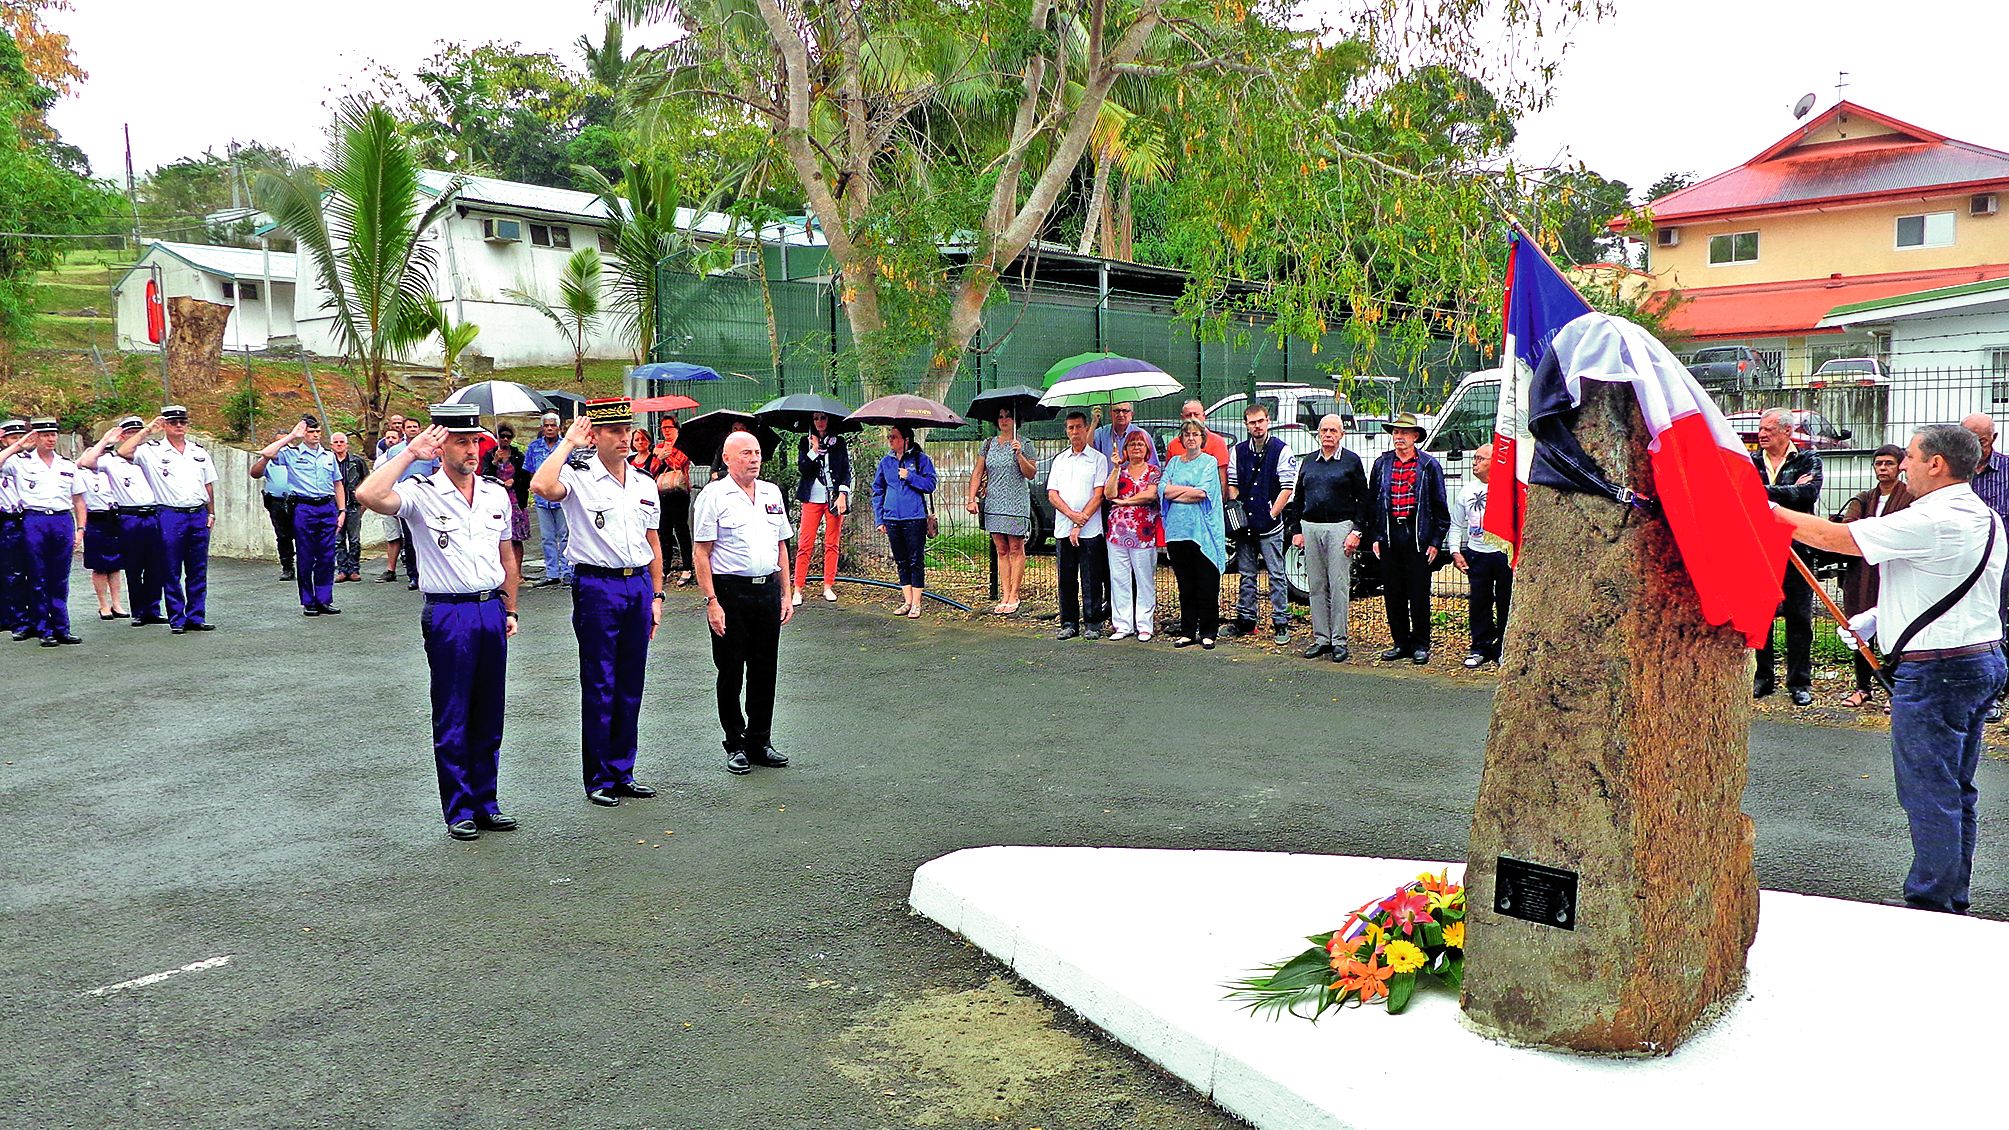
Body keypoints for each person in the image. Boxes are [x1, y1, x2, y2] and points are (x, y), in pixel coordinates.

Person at [1772, 424, 2005, 915]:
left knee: (1928, 790)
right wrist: (1879, 617)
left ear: (1936, 464)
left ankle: (1932, 902)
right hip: (1975, 658)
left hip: (1938, 670)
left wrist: (1762, 508)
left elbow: (1836, 538)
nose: (1903, 466)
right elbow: (1948, 583)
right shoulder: (1983, 515)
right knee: (1954, 787)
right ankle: (1949, 895)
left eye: (1911, 458)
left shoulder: (1932, 517)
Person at [356, 405, 522, 841]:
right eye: (461, 442)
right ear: (441, 447)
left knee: (490, 713)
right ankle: (459, 808)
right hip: (449, 611)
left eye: (475, 442)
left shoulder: (494, 493)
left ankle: (487, 802)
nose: (471, 450)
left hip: (490, 608)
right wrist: (410, 453)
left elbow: (507, 557)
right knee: (453, 712)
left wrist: (511, 608)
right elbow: (368, 495)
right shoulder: (421, 492)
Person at [530, 398, 664, 808]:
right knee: (600, 682)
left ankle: (624, 770)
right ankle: (600, 777)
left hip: (637, 584)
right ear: (596, 436)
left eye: (628, 430)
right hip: (597, 586)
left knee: (630, 683)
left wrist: (657, 594)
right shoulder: (578, 475)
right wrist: (568, 442)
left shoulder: (643, 482)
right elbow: (541, 486)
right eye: (615, 431)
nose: (625, 438)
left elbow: (652, 541)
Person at [693, 429, 796, 775]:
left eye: (757, 453)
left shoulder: (771, 492)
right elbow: (701, 552)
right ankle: (735, 743)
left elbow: (781, 545)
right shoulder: (714, 496)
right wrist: (712, 601)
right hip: (730, 592)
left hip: (766, 590)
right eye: (745, 454)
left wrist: (786, 593)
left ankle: (759, 740)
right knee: (731, 669)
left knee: (765, 669)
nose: (754, 459)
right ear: (726, 459)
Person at [116, 406, 217, 634]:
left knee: (198, 569)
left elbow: (208, 484)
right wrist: (147, 430)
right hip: (170, 514)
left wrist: (211, 513)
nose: (179, 426)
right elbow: (123, 451)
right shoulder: (151, 451)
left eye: (182, 422)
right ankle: (177, 619)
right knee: (171, 568)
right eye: (173, 422)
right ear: (165, 425)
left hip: (198, 513)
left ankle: (196, 616)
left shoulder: (198, 451)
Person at [1752, 407, 1823, 706]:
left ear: (1786, 431)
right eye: (1761, 429)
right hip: (1759, 547)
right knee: (1760, 615)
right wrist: (1789, 490)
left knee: (1799, 617)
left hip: (1798, 546)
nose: (1761, 434)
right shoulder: (1751, 460)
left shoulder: (1808, 459)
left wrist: (1763, 492)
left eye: (1768, 429)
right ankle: (1762, 677)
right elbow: (1742, 493)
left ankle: (1799, 682)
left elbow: (1808, 494)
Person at [1364, 412, 1449, 664]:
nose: (1398, 437)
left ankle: (1421, 644)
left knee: (1419, 592)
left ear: (1415, 437)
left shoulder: (1429, 465)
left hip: (1417, 535)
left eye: (1403, 433)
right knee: (1393, 593)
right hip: (1391, 535)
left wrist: (1435, 541)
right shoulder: (1382, 464)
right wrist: (1376, 536)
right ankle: (1400, 642)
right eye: (1395, 432)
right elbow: (1373, 503)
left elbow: (1440, 507)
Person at [1836, 445, 1912, 709]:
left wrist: (1869, 531)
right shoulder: (1864, 498)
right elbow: (1849, 526)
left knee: (1895, 628)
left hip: (1894, 570)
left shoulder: (1909, 497)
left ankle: (1894, 689)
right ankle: (1863, 687)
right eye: (1878, 464)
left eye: (1889, 463)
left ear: (1900, 466)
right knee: (1859, 627)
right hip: (1862, 573)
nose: (1883, 468)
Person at [0, 419, 86, 645]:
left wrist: (80, 529)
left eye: (53, 434)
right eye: (45, 435)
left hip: (62, 519)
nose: (50, 439)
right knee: (37, 576)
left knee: (60, 578)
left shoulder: (66, 465)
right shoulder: (19, 462)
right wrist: (19, 445)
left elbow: (79, 500)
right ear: (35, 437)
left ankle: (61, 627)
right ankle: (43, 629)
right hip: (34, 519)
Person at [252, 416, 347, 616]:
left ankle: (324, 599)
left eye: (317, 431)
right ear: (303, 434)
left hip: (327, 507)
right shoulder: (291, 453)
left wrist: (342, 511)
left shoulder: (328, 456)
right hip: (304, 507)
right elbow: (267, 453)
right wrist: (292, 436)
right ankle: (308, 601)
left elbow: (337, 483)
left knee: (327, 557)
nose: (315, 435)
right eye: (310, 432)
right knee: (306, 556)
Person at [1291, 414, 1367, 662]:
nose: (1328, 435)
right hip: (1311, 527)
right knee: (1316, 586)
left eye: (1333, 431)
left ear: (1342, 434)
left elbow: (1363, 498)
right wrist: (1296, 529)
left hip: (1339, 529)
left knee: (1338, 585)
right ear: (1318, 433)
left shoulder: (1351, 461)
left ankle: (1339, 640)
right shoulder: (1309, 462)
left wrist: (1357, 530)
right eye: (1324, 430)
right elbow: (1298, 496)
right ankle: (1321, 638)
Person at [80, 417, 166, 625]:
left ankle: (153, 609)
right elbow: (86, 463)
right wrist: (105, 441)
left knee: (155, 565)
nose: (134, 436)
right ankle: (139, 611)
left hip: (153, 513)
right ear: (122, 436)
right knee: (134, 566)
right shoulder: (111, 460)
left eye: (137, 432)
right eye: (129, 433)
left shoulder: (151, 455)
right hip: (130, 515)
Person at [1227, 403, 1299, 644]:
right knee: (1246, 574)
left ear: (1268, 421)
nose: (1257, 426)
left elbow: (1287, 488)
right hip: (1245, 524)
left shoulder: (1281, 450)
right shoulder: (1238, 451)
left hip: (1270, 525)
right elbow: (1232, 483)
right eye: (1252, 422)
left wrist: (1272, 514)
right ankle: (1246, 620)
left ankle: (1281, 622)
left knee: (1276, 574)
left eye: (1260, 421)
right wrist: (1236, 509)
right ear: (1246, 425)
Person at [1960, 413, 2009, 722]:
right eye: (1967, 440)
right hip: (1959, 562)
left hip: (2000, 562)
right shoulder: (1952, 471)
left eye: (1980, 441)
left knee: (1994, 625)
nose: (1974, 447)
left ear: (1993, 439)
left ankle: (1992, 695)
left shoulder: (2007, 470)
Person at [965, 405, 1038, 614]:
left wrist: (1019, 454)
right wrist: (971, 499)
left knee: (1016, 547)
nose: (1004, 420)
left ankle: (1014, 594)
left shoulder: (1025, 444)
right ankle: (1004, 594)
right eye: (1000, 416)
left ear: (1016, 420)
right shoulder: (988, 444)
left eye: (1008, 416)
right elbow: (978, 472)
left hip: (1016, 503)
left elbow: (1031, 473)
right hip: (994, 502)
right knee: (1001, 549)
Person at [1047, 410, 1111, 640]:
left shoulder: (1098, 459)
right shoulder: (1060, 460)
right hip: (1063, 529)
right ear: (1066, 431)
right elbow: (1052, 494)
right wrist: (1072, 515)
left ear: (1086, 429)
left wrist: (1082, 519)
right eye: (1070, 428)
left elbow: (1099, 494)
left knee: (1091, 578)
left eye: (1078, 427)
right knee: (1066, 578)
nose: (1075, 432)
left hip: (1090, 530)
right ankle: (1069, 623)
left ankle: (1093, 623)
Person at [1163, 420, 1227, 648]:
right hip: (1177, 532)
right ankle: (1187, 631)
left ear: (1202, 438)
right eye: (1187, 434)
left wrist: (1176, 492)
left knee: (1207, 583)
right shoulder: (1173, 463)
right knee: (1186, 585)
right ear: (1181, 438)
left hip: (1202, 532)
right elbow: (1163, 490)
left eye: (1195, 434)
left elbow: (1202, 493)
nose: (1191, 438)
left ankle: (1208, 632)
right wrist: (1186, 491)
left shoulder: (1209, 462)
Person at [1450, 441, 1513, 668]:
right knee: (1479, 601)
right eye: (1474, 458)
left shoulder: (1509, 488)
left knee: (1506, 601)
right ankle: (1480, 647)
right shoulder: (1467, 491)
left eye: (1480, 459)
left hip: (1503, 553)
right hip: (1477, 553)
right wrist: (1455, 551)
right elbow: (1456, 524)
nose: (1474, 463)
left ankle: (1504, 647)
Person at [871, 423, 936, 619]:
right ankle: (907, 601)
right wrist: (880, 518)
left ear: (906, 440)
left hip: (914, 517)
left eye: (894, 437)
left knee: (916, 560)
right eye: (890, 437)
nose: (890, 440)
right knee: (901, 560)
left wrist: (910, 477)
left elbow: (930, 484)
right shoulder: (886, 462)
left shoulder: (920, 459)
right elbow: (878, 490)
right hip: (892, 518)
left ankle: (917, 603)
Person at [1104, 429, 1162, 641]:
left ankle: (1145, 625)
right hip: (1117, 533)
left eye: (1140, 444)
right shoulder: (1120, 471)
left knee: (1144, 579)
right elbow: (1109, 494)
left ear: (1147, 449)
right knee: (1119, 579)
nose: (1136, 447)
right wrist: (1115, 468)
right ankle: (1123, 624)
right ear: (1125, 449)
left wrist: (1125, 502)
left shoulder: (1154, 471)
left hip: (1144, 533)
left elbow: (1150, 495)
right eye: (1132, 444)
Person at [793, 412, 852, 606]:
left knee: (832, 543)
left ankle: (828, 586)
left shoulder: (838, 442)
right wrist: (813, 450)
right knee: (805, 543)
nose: (819, 422)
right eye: (816, 418)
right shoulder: (805, 442)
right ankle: (798, 588)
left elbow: (845, 470)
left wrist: (842, 494)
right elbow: (803, 468)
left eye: (823, 418)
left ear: (829, 420)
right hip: (811, 498)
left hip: (833, 499)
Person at [524, 411, 572, 587]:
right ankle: (552, 573)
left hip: (561, 498)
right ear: (542, 428)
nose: (550, 428)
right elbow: (530, 470)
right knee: (547, 537)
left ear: (559, 428)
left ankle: (567, 571)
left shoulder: (565, 446)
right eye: (546, 426)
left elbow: (572, 470)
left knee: (565, 536)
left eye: (553, 425)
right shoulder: (534, 447)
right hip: (542, 500)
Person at [78, 448, 125, 620]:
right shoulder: (81, 473)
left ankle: (117, 603)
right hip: (95, 519)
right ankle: (103, 604)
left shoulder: (112, 471)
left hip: (113, 518)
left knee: (115, 564)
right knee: (99, 565)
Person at [480, 425, 530, 579]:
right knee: (497, 537)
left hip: (515, 500)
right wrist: (495, 462)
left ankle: (517, 573)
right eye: (502, 436)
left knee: (516, 539)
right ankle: (500, 573)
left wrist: (513, 481)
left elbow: (525, 476)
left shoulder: (518, 455)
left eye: (509, 436)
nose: (505, 439)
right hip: (496, 500)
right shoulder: (490, 455)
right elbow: (485, 476)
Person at [652, 417, 694, 587]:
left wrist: (662, 455)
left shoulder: (683, 445)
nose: (666, 430)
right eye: (663, 428)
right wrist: (659, 456)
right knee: (664, 529)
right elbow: (653, 468)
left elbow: (680, 463)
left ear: (676, 428)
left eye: (669, 427)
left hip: (679, 491)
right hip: (663, 492)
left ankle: (687, 567)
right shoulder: (661, 446)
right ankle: (665, 566)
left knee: (681, 528)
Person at [258, 427, 297, 581]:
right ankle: (287, 567)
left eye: (285, 441)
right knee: (282, 536)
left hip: (297, 501)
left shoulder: (297, 456)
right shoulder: (270, 459)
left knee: (303, 534)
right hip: (276, 502)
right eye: (279, 442)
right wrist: (265, 458)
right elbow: (255, 473)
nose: (282, 445)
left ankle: (306, 565)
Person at [331, 431, 369, 582]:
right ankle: (342, 570)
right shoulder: (328, 461)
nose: (339, 444)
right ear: (331, 445)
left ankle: (354, 569)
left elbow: (367, 480)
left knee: (354, 539)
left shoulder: (357, 461)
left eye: (342, 442)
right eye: (336, 442)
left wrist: (363, 502)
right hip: (334, 507)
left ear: (346, 444)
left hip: (353, 505)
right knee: (337, 540)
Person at [0, 419, 26, 638]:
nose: (18, 442)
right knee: (8, 572)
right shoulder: (4, 459)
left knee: (24, 571)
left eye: (20, 437)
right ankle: (9, 617)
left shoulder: (30, 460)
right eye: (13, 438)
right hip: (5, 519)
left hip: (25, 518)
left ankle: (24, 617)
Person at [1176, 399, 1231, 476]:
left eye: (1196, 414)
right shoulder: (1173, 445)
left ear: (1204, 416)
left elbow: (1222, 476)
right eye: (1188, 415)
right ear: (1182, 417)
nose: (1192, 418)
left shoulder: (1217, 442)